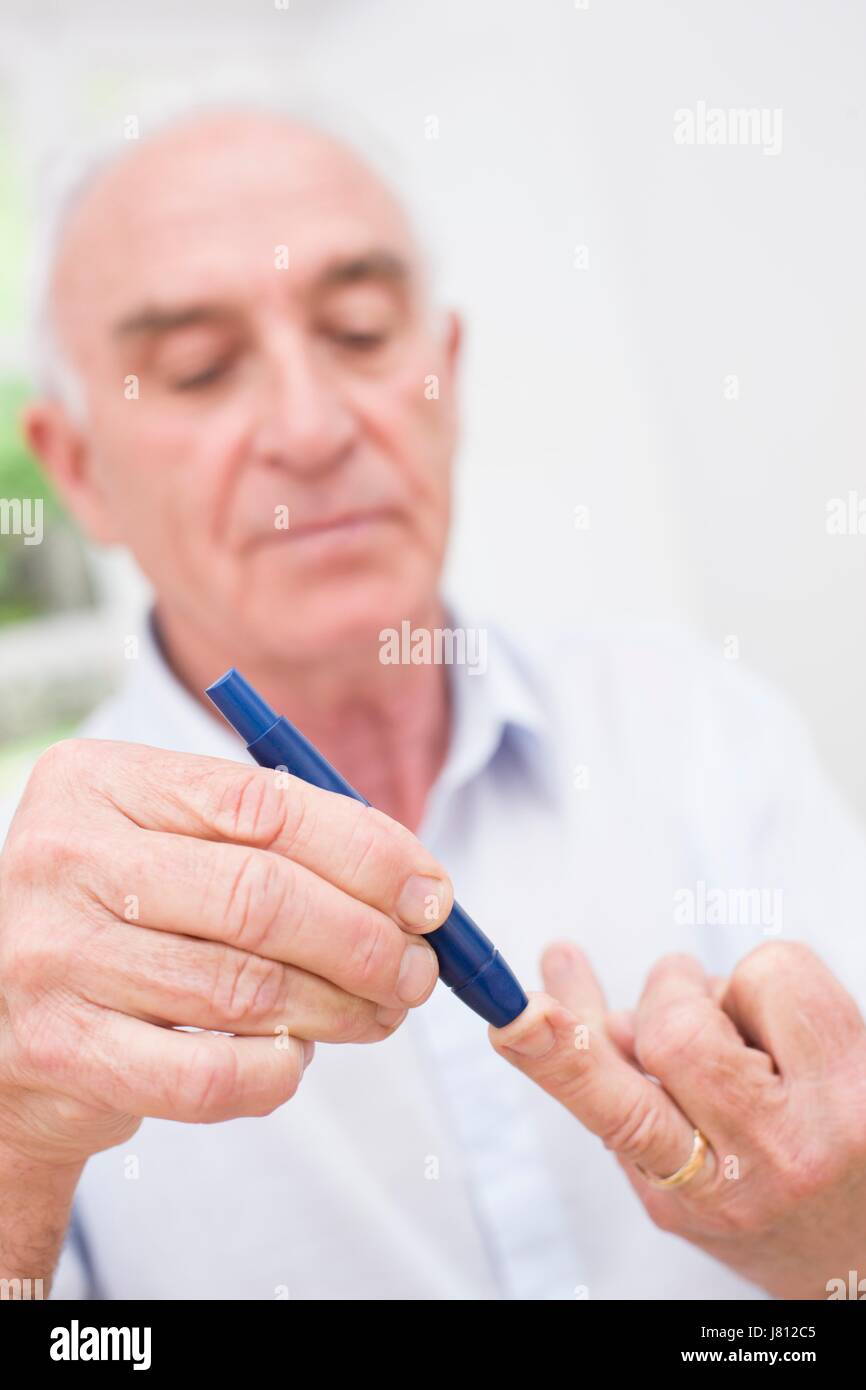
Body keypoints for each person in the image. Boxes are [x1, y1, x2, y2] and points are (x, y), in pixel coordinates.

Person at [1, 107, 864, 1302]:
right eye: (198, 369)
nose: (310, 430)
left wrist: (840, 1259)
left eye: (359, 332)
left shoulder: (700, 726)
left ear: (444, 375)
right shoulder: (23, 922)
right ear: (81, 470)